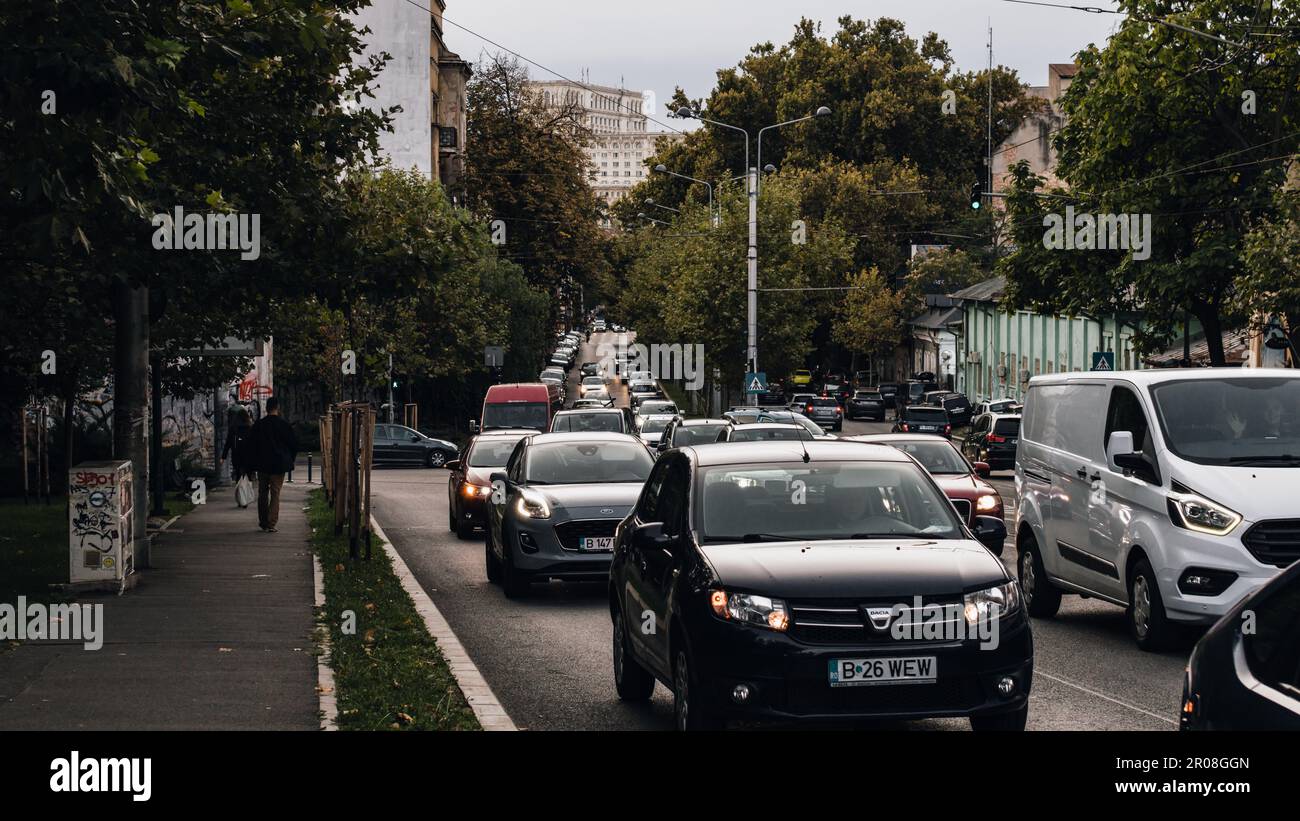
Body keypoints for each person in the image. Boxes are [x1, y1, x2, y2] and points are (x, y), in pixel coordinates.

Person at [249, 397, 298, 533]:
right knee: (275, 493)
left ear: (266, 408)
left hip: (263, 464)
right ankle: (271, 523)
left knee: (262, 493)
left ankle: (263, 521)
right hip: (279, 464)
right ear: (278, 407)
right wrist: (290, 459)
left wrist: (253, 463)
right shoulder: (283, 425)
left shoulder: (259, 425)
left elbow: (251, 445)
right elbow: (293, 445)